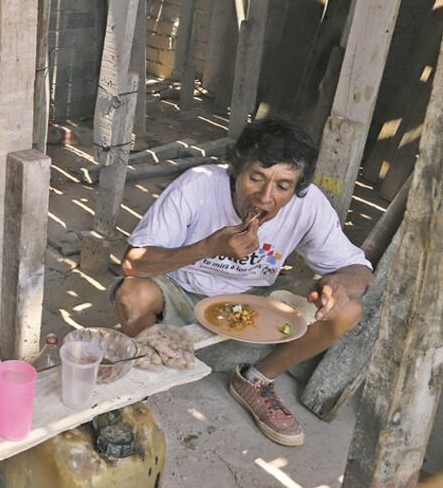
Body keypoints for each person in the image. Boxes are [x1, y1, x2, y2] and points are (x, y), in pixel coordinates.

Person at [113, 118, 373, 447]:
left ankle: (258, 379)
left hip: (253, 300)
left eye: (283, 186)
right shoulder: (198, 185)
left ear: (296, 187)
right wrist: (208, 247)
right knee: (132, 295)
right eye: (256, 178)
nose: (266, 197)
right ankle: (148, 379)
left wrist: (338, 283)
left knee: (348, 310)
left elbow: (361, 273)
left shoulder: (309, 205)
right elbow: (132, 263)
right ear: (236, 171)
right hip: (181, 293)